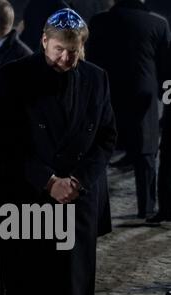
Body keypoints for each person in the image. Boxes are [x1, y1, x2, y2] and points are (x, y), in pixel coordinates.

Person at [0, 8, 116, 295]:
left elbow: (105, 137)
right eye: (61, 50)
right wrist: (47, 181)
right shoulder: (13, 77)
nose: (67, 59)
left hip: (77, 208)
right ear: (44, 40)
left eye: (74, 52)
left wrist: (79, 181)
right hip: (32, 207)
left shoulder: (96, 77)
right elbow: (4, 144)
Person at [87, 0, 170, 219]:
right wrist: (164, 96)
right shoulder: (158, 24)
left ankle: (97, 208)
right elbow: (165, 67)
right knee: (146, 153)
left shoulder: (99, 22)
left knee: (101, 153)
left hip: (109, 93)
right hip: (142, 95)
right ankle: (147, 207)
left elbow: (90, 60)